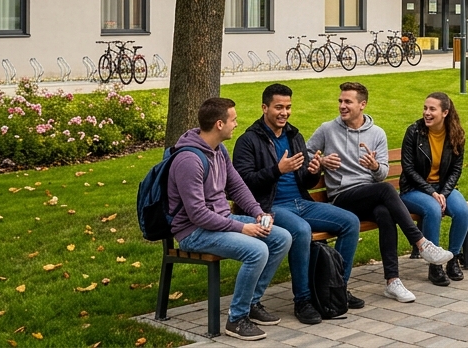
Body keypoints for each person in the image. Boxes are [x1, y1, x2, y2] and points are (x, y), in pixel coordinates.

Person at [307, 82, 452, 304]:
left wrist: (374, 166)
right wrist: (322, 161)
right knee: (385, 190)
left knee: (385, 213)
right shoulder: (328, 129)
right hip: (342, 197)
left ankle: (392, 281)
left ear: (362, 104)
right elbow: (305, 154)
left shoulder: (377, 133)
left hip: (370, 194)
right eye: (340, 101)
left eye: (348, 102)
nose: (342, 106)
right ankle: (421, 243)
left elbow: (382, 173)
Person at [233, 84, 364, 324]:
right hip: (270, 207)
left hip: (301, 202)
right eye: (279, 107)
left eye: (288, 107)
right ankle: (302, 300)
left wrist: (314, 171)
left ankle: (335, 290)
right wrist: (276, 170)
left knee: (350, 221)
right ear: (264, 108)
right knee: (301, 231)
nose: (284, 112)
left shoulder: (294, 136)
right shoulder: (248, 141)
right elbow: (243, 184)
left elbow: (305, 178)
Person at [167, 97, 292, 341]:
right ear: (219, 124)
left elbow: (236, 185)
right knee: (257, 250)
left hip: (220, 222)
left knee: (281, 237)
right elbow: (198, 214)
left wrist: (257, 212)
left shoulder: (219, 150)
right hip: (194, 232)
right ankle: (236, 318)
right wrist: (241, 227)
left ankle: (251, 303)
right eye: (233, 120)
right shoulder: (188, 161)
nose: (236, 124)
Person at [399, 93, 468, 287]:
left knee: (463, 211)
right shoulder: (414, 132)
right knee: (432, 209)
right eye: (425, 108)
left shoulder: (456, 134)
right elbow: (408, 168)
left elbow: (456, 169)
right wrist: (432, 193)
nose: (427, 113)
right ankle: (435, 265)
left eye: (432, 109)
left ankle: (453, 258)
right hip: (413, 189)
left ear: (445, 112)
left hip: (442, 189)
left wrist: (443, 193)